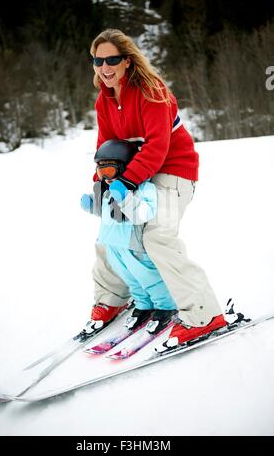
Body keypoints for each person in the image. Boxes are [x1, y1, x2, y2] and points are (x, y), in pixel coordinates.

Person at [83, 28, 226, 351]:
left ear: (128, 61)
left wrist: (127, 182)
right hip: (133, 175)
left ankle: (205, 315)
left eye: (112, 60)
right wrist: (101, 182)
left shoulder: (152, 91)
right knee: (111, 230)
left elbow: (158, 147)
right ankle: (112, 299)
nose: (104, 67)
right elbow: (105, 145)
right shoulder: (104, 99)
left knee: (157, 236)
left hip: (173, 171)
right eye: (97, 61)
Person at [81, 139, 178, 336]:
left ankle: (165, 306)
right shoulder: (108, 189)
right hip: (113, 245)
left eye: (109, 171)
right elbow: (106, 213)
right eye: (101, 173)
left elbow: (143, 213)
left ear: (125, 167)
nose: (105, 178)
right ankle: (143, 305)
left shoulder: (144, 188)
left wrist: (125, 198)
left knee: (148, 277)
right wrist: (91, 205)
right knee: (131, 280)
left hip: (134, 245)